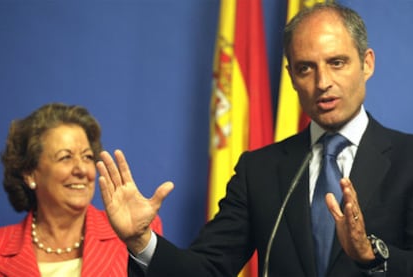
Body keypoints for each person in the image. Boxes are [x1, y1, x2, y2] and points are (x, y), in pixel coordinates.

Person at [97, 3, 413, 277]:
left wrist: (372, 254)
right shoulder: (259, 170)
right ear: (291, 76)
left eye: (336, 62)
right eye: (306, 68)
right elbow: (207, 268)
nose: (322, 82)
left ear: (367, 63)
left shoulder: (407, 160)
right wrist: (141, 240)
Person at [0, 103, 163, 277]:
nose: (82, 170)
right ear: (30, 173)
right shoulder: (2, 246)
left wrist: (139, 240)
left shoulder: (135, 233)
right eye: (65, 157)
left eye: (87, 157)